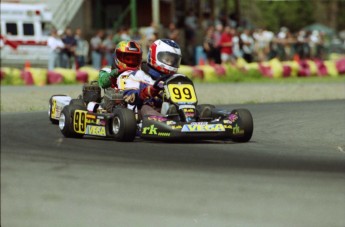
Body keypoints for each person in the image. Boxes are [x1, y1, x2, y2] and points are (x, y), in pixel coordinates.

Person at [123, 39, 182, 117]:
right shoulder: (138, 75)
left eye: (173, 60)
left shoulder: (175, 79)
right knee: (146, 108)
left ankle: (193, 117)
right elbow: (128, 97)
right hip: (140, 114)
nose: (170, 63)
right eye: (167, 59)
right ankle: (162, 121)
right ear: (154, 55)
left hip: (167, 110)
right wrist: (146, 92)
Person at [97, 40, 142, 112]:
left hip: (137, 100)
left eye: (134, 59)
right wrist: (115, 73)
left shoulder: (140, 74)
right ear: (118, 57)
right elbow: (102, 83)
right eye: (128, 59)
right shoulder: (107, 71)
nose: (131, 62)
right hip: (113, 104)